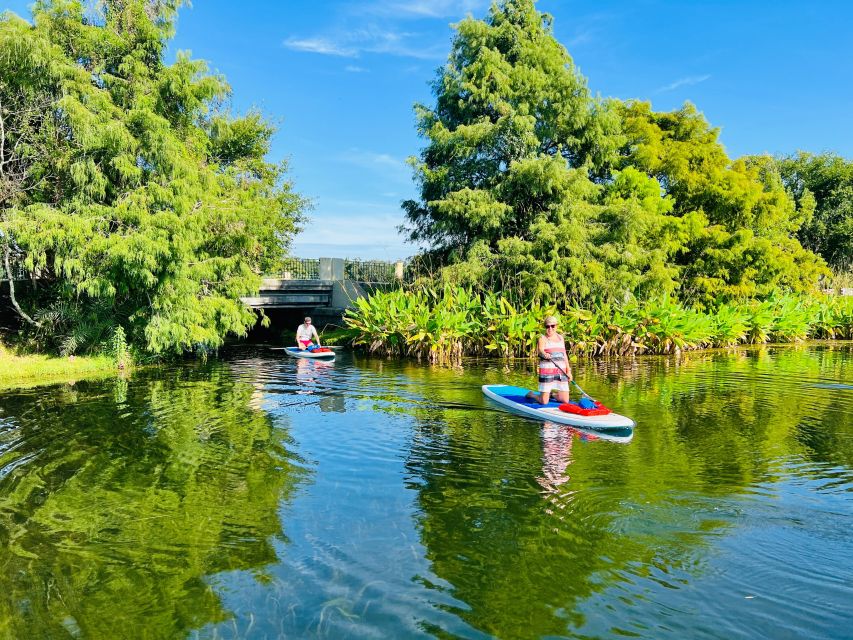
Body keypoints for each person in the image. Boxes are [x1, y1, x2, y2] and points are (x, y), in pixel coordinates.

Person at [527, 315, 572, 405]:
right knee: (544, 402)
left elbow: (564, 355)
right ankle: (532, 395)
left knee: (565, 400)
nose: (550, 328)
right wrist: (544, 354)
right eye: (547, 326)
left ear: (556, 326)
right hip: (547, 371)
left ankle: (552, 395)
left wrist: (568, 371)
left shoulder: (561, 338)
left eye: (552, 326)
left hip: (561, 371)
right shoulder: (542, 338)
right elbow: (540, 350)